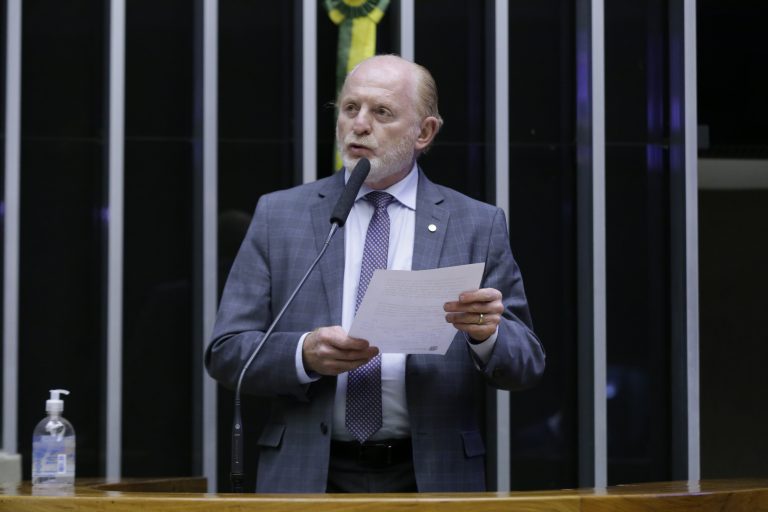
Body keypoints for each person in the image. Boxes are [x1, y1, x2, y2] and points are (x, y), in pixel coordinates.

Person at [205, 54, 545, 493]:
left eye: (381, 112)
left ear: (424, 132)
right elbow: (227, 351)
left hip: (431, 475)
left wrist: (487, 336)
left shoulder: (476, 224)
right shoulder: (280, 215)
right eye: (350, 108)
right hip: (308, 474)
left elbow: (527, 363)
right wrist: (303, 354)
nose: (359, 125)